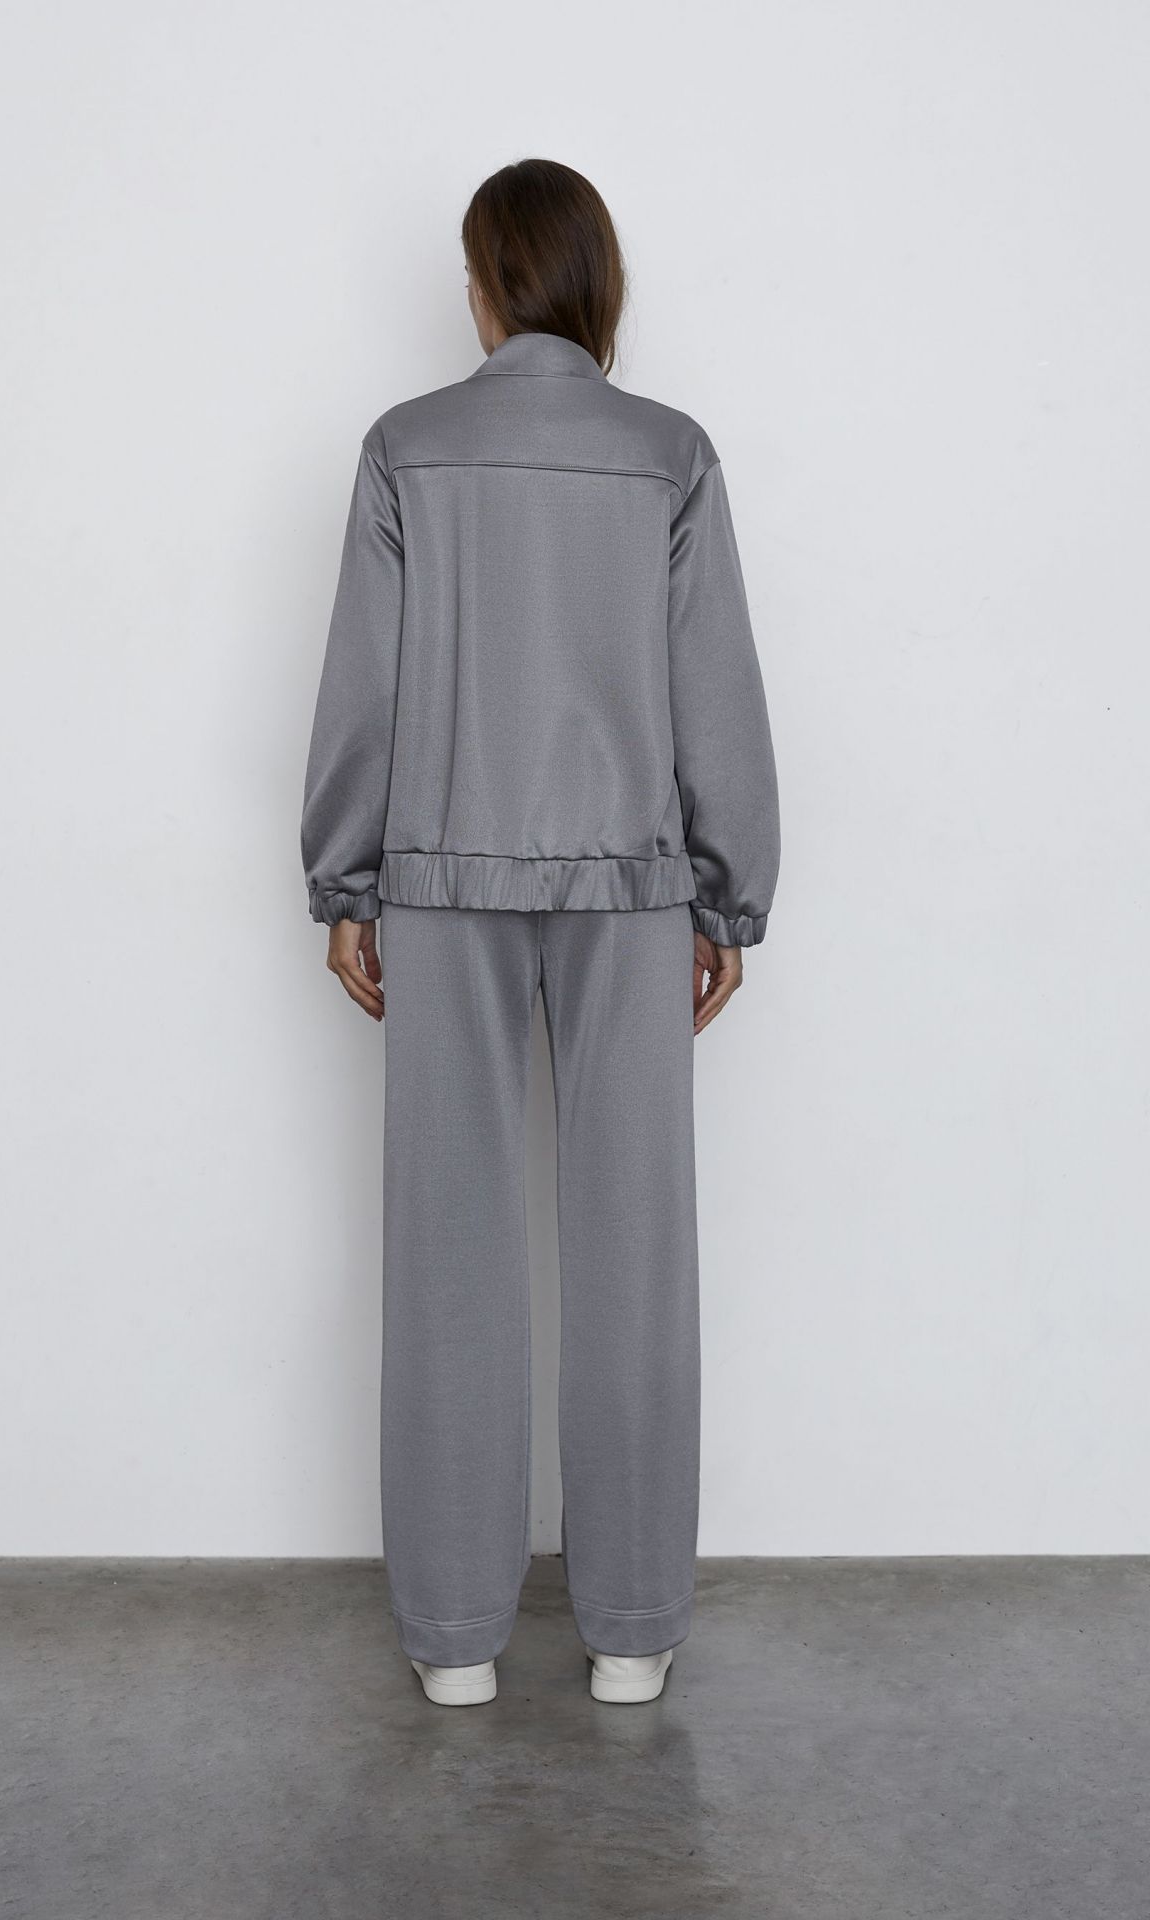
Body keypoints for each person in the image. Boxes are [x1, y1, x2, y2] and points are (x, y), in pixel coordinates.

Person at [301, 158, 780, 1708]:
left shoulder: (407, 449)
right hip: (635, 892)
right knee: (635, 1252)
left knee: (446, 1251)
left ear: (487, 284)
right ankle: (631, 1630)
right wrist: (729, 895)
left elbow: (366, 684)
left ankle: (454, 1640)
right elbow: (714, 689)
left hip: (439, 886)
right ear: (596, 282)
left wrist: (346, 881)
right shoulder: (668, 457)